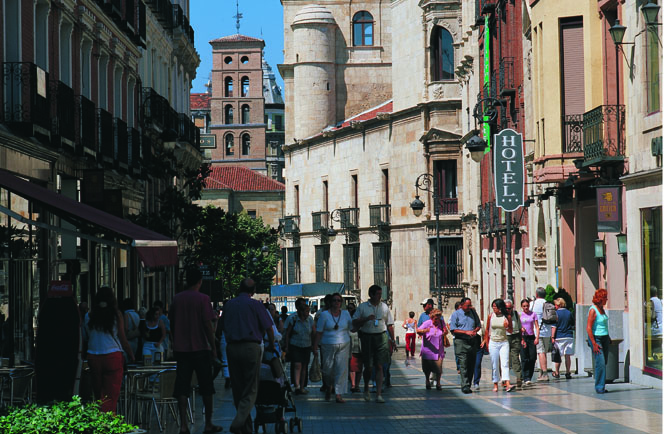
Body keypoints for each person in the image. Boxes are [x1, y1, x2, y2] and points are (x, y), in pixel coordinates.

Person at [170, 268, 221, 434]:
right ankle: (208, 423)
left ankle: (183, 425)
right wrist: (213, 348)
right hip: (200, 349)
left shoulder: (177, 299)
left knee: (182, 387)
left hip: (181, 350)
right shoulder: (203, 299)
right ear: (200, 281)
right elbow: (208, 325)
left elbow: (172, 322)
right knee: (206, 386)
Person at [83, 287, 134, 413]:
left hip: (93, 356)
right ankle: (108, 422)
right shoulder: (116, 315)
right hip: (112, 355)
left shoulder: (88, 316)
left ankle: (100, 420)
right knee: (110, 394)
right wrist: (131, 355)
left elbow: (86, 336)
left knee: (98, 394)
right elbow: (123, 339)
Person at [352, 285, 395, 404]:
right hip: (367, 337)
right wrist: (365, 319)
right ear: (371, 295)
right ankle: (366, 386)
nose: (380, 297)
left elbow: (390, 324)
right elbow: (354, 321)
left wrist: (392, 339)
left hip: (381, 336)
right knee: (369, 366)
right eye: (377, 294)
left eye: (381, 294)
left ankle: (379, 393)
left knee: (380, 365)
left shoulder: (384, 307)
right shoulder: (363, 307)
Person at [313, 293, 352, 403]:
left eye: (339, 300)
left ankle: (338, 394)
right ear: (330, 302)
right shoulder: (324, 315)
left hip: (344, 343)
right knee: (327, 369)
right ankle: (329, 385)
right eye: (334, 300)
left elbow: (352, 327)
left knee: (341, 369)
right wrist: (315, 347)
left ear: (341, 303)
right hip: (327, 344)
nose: (336, 302)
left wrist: (361, 321)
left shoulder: (346, 314)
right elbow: (319, 332)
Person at [449, 297, 481, 394]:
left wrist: (475, 331)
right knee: (463, 364)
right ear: (462, 305)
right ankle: (465, 385)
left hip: (472, 341)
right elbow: (453, 330)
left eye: (470, 305)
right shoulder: (455, 314)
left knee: (471, 364)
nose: (469, 307)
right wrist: (466, 332)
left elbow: (478, 324)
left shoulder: (473, 313)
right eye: (467, 306)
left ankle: (468, 384)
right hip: (461, 341)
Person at [284, 297, 315, 394]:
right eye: (306, 311)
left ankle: (302, 387)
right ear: (301, 311)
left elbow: (313, 332)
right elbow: (287, 334)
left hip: (307, 345)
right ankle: (296, 386)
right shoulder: (293, 319)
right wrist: (286, 346)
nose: (307, 313)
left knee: (304, 366)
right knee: (297, 365)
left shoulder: (310, 320)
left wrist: (315, 346)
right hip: (295, 345)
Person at [484, 299, 515, 392]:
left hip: (503, 342)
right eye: (493, 306)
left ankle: (507, 383)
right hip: (493, 342)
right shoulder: (491, 316)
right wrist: (486, 341)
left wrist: (506, 326)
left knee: (505, 363)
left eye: (495, 307)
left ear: (500, 308)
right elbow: (486, 329)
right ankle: (495, 383)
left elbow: (510, 331)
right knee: (494, 363)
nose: (493, 308)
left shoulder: (507, 317)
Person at [416, 308, 447, 390]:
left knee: (439, 367)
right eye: (436, 318)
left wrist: (445, 332)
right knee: (427, 368)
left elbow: (445, 331)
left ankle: (438, 383)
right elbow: (418, 331)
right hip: (428, 349)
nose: (437, 320)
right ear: (432, 317)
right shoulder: (427, 323)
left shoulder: (441, 322)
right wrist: (425, 330)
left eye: (438, 318)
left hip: (439, 349)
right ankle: (427, 381)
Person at [586, 288, 610, 394]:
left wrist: (608, 337)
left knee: (604, 362)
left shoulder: (602, 309)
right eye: (605, 298)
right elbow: (589, 328)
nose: (607, 300)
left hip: (604, 337)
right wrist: (594, 343)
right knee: (600, 362)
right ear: (600, 298)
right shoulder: (593, 310)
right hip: (596, 338)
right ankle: (599, 387)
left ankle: (601, 385)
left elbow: (604, 324)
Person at [532, 287, 552, 381]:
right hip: (547, 331)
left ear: (536, 294)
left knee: (540, 352)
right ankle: (542, 372)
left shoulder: (533, 304)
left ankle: (544, 373)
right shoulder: (548, 304)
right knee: (544, 352)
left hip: (537, 331)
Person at [551, 298, 574, 379]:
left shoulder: (556, 314)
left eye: (556, 305)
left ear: (559, 305)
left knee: (558, 356)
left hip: (559, 337)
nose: (555, 306)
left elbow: (554, 327)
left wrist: (552, 337)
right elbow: (572, 323)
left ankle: (557, 372)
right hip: (569, 336)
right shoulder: (569, 313)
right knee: (567, 355)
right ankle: (568, 372)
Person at [519, 298, 540, 386]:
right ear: (521, 307)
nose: (526, 308)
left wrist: (537, 337)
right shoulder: (520, 315)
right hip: (523, 337)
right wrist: (521, 330)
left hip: (531, 337)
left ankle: (529, 376)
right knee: (524, 358)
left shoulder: (533, 314)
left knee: (532, 357)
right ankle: (525, 377)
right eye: (524, 306)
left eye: (527, 306)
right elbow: (517, 326)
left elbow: (537, 326)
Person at [504, 300, 523, 387]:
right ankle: (505, 379)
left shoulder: (515, 314)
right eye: (507, 308)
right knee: (505, 359)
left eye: (510, 308)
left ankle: (519, 378)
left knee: (515, 358)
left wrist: (521, 338)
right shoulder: (502, 315)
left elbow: (519, 327)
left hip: (515, 336)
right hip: (506, 337)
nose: (508, 310)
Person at [347, 302, 362, 393]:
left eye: (351, 308)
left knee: (359, 367)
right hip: (350, 348)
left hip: (360, 347)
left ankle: (357, 385)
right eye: (348, 308)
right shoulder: (346, 322)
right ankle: (353, 384)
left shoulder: (360, 323)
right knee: (352, 367)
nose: (350, 310)